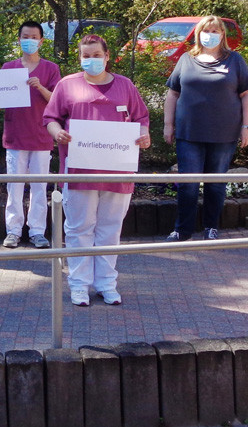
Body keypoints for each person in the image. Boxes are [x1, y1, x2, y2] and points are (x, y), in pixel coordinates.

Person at [43, 34, 150, 307]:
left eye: (96, 55)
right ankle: (79, 285)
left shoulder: (125, 86)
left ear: (107, 56)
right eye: (85, 56)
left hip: (117, 170)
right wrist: (58, 133)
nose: (91, 60)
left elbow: (141, 119)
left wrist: (144, 135)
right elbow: (51, 118)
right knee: (79, 229)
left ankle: (106, 284)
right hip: (79, 169)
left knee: (110, 230)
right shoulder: (67, 85)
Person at [163, 15, 248, 242]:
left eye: (215, 31)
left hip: (223, 134)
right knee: (189, 184)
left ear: (223, 34)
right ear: (198, 34)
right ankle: (182, 230)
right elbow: (172, 94)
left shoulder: (235, 60)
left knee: (215, 183)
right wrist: (168, 124)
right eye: (206, 30)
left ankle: (211, 228)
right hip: (189, 133)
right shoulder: (186, 59)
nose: (210, 35)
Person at [0, 20, 61, 249]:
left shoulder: (51, 69)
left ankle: (38, 231)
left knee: (40, 187)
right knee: (15, 185)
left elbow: (57, 101)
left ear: (41, 41)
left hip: (41, 135)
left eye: (33, 37)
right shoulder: (8, 68)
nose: (29, 41)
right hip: (15, 135)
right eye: (25, 37)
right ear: (18, 39)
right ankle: (13, 231)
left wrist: (40, 87)